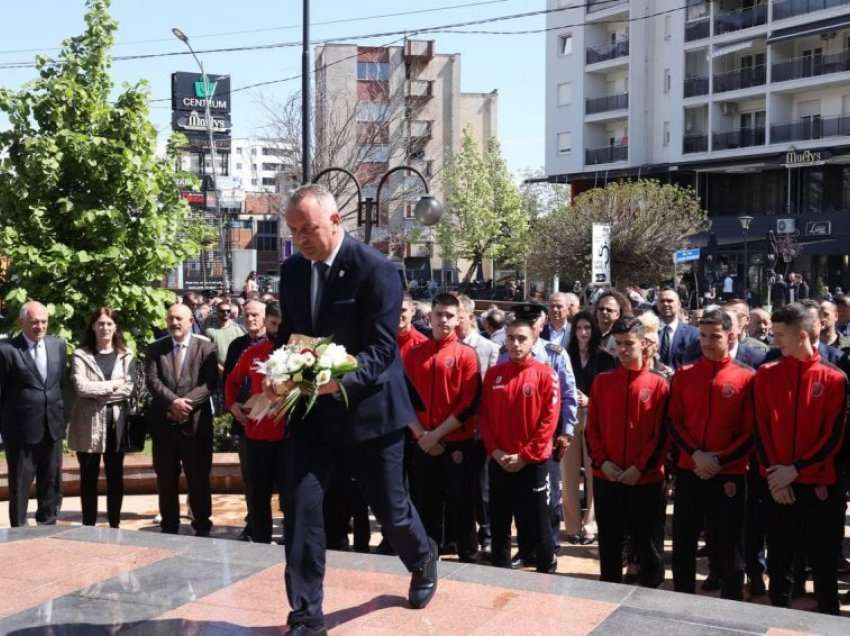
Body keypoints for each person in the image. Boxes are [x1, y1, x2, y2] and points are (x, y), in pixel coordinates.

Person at [275, 184, 436, 634]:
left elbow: (382, 351)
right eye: (293, 231)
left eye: (308, 229)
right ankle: (306, 615)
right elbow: (290, 334)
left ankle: (423, 558)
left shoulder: (376, 269)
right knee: (303, 511)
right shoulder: (291, 271)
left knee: (392, 509)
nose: (301, 239)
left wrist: (335, 381)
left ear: (336, 221)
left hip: (371, 413)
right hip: (311, 413)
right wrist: (279, 372)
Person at [753, 303, 848, 614]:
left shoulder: (834, 379)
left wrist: (795, 470)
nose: (773, 339)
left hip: (818, 485)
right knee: (779, 564)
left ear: (802, 335)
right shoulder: (766, 375)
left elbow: (833, 437)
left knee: (823, 566)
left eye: (780, 334)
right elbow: (760, 428)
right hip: (777, 484)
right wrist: (774, 476)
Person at [668, 309, 754, 600]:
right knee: (684, 541)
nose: (706, 342)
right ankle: (681, 597)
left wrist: (719, 460)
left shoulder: (746, 377)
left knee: (728, 544)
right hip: (689, 469)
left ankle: (731, 601)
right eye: (703, 335)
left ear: (731, 336)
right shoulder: (684, 374)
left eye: (714, 336)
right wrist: (695, 455)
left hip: (728, 474)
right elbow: (674, 421)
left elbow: (750, 431)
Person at [585, 317, 669, 587]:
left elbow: (661, 435)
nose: (622, 349)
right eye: (618, 343)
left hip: (645, 479)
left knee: (649, 546)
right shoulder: (602, 382)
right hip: (607, 475)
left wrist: (639, 468)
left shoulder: (659, 385)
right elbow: (592, 428)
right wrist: (603, 462)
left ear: (644, 344)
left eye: (629, 344)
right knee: (610, 544)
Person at [498, 303, 577, 567]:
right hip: (513, 439)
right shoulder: (504, 353)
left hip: (546, 440)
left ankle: (549, 547)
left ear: (540, 327)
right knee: (518, 502)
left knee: (548, 500)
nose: (527, 328)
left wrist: (566, 432)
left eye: (532, 323)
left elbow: (567, 395)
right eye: (522, 322)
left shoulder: (554, 353)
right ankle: (526, 548)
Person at [478, 317, 560, 573]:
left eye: (521, 338)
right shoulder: (494, 375)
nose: (515, 344)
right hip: (500, 460)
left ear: (534, 340)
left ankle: (546, 565)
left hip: (532, 462)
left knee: (538, 520)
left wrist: (525, 455)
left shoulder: (546, 374)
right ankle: (500, 567)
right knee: (500, 519)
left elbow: (549, 420)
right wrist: (496, 451)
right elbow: (485, 418)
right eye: (510, 338)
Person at [404, 293, 481, 562]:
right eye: (439, 314)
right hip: (422, 441)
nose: (444, 320)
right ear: (430, 316)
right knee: (426, 506)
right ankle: (427, 561)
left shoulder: (467, 355)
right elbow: (403, 399)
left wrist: (437, 435)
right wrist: (421, 435)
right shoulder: (415, 354)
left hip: (457, 442)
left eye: (450, 315)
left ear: (459, 318)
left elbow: (469, 403)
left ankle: (469, 558)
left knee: (462, 505)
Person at [145, 303, 219, 536]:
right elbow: (152, 381)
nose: (174, 323)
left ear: (190, 321)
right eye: (171, 318)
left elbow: (210, 383)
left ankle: (202, 525)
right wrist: (172, 402)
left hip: (196, 425)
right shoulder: (155, 349)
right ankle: (169, 524)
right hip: (165, 424)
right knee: (166, 477)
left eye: (179, 319)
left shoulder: (206, 348)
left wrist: (186, 403)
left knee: (198, 477)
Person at [0, 301, 67, 527]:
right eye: (34, 322)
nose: (40, 326)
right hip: (21, 432)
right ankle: (19, 532)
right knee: (20, 485)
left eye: (44, 322)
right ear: (22, 322)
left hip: (52, 428)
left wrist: (62, 418)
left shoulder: (58, 345)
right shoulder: (7, 350)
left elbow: (62, 385)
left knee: (51, 483)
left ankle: (48, 529)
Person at [68, 308, 135, 528]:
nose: (104, 328)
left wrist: (98, 391)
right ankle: (89, 525)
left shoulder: (126, 355)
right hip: (89, 425)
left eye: (109, 323)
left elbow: (128, 389)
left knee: (115, 477)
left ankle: (114, 524)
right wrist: (113, 385)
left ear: (115, 327)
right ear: (93, 327)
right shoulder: (81, 354)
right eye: (100, 323)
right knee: (88, 478)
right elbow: (81, 387)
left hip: (117, 424)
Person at [224, 307, 286, 544]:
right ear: (266, 323)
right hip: (257, 435)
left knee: (289, 497)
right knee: (258, 496)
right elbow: (231, 381)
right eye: (273, 323)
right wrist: (232, 406)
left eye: (281, 324)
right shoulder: (254, 352)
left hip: (288, 438)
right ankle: (260, 542)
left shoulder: (301, 354)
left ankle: (290, 539)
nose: (277, 329)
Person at [564, 310, 616, 544]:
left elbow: (610, 395)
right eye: (578, 328)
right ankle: (572, 526)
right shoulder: (567, 355)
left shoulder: (605, 357)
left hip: (595, 420)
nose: (583, 333)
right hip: (569, 419)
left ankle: (590, 526)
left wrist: (590, 401)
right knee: (569, 475)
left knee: (593, 474)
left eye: (587, 328)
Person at [454, 293, 500, 556]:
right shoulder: (446, 346)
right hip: (452, 430)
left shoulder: (489, 349)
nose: (454, 323)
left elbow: (490, 394)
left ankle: (487, 533)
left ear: (470, 318)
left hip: (479, 430)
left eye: (459, 317)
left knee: (482, 487)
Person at [656, 287, 700, 370]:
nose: (665, 304)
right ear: (657, 305)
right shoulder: (649, 332)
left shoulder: (694, 334)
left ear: (679, 304)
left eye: (670, 301)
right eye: (662, 301)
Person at [206, 301, 245, 374]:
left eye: (228, 311)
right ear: (217, 312)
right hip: (217, 371)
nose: (226, 313)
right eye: (222, 311)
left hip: (236, 369)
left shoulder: (240, 329)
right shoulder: (210, 331)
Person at [595, 289, 632, 356]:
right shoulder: (588, 333)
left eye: (609, 310)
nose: (604, 312)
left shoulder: (622, 336)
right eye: (601, 309)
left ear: (618, 314)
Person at [398, 292, 428, 361]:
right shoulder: (383, 341)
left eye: (403, 310)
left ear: (413, 311)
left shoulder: (423, 344)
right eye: (395, 310)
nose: (398, 315)